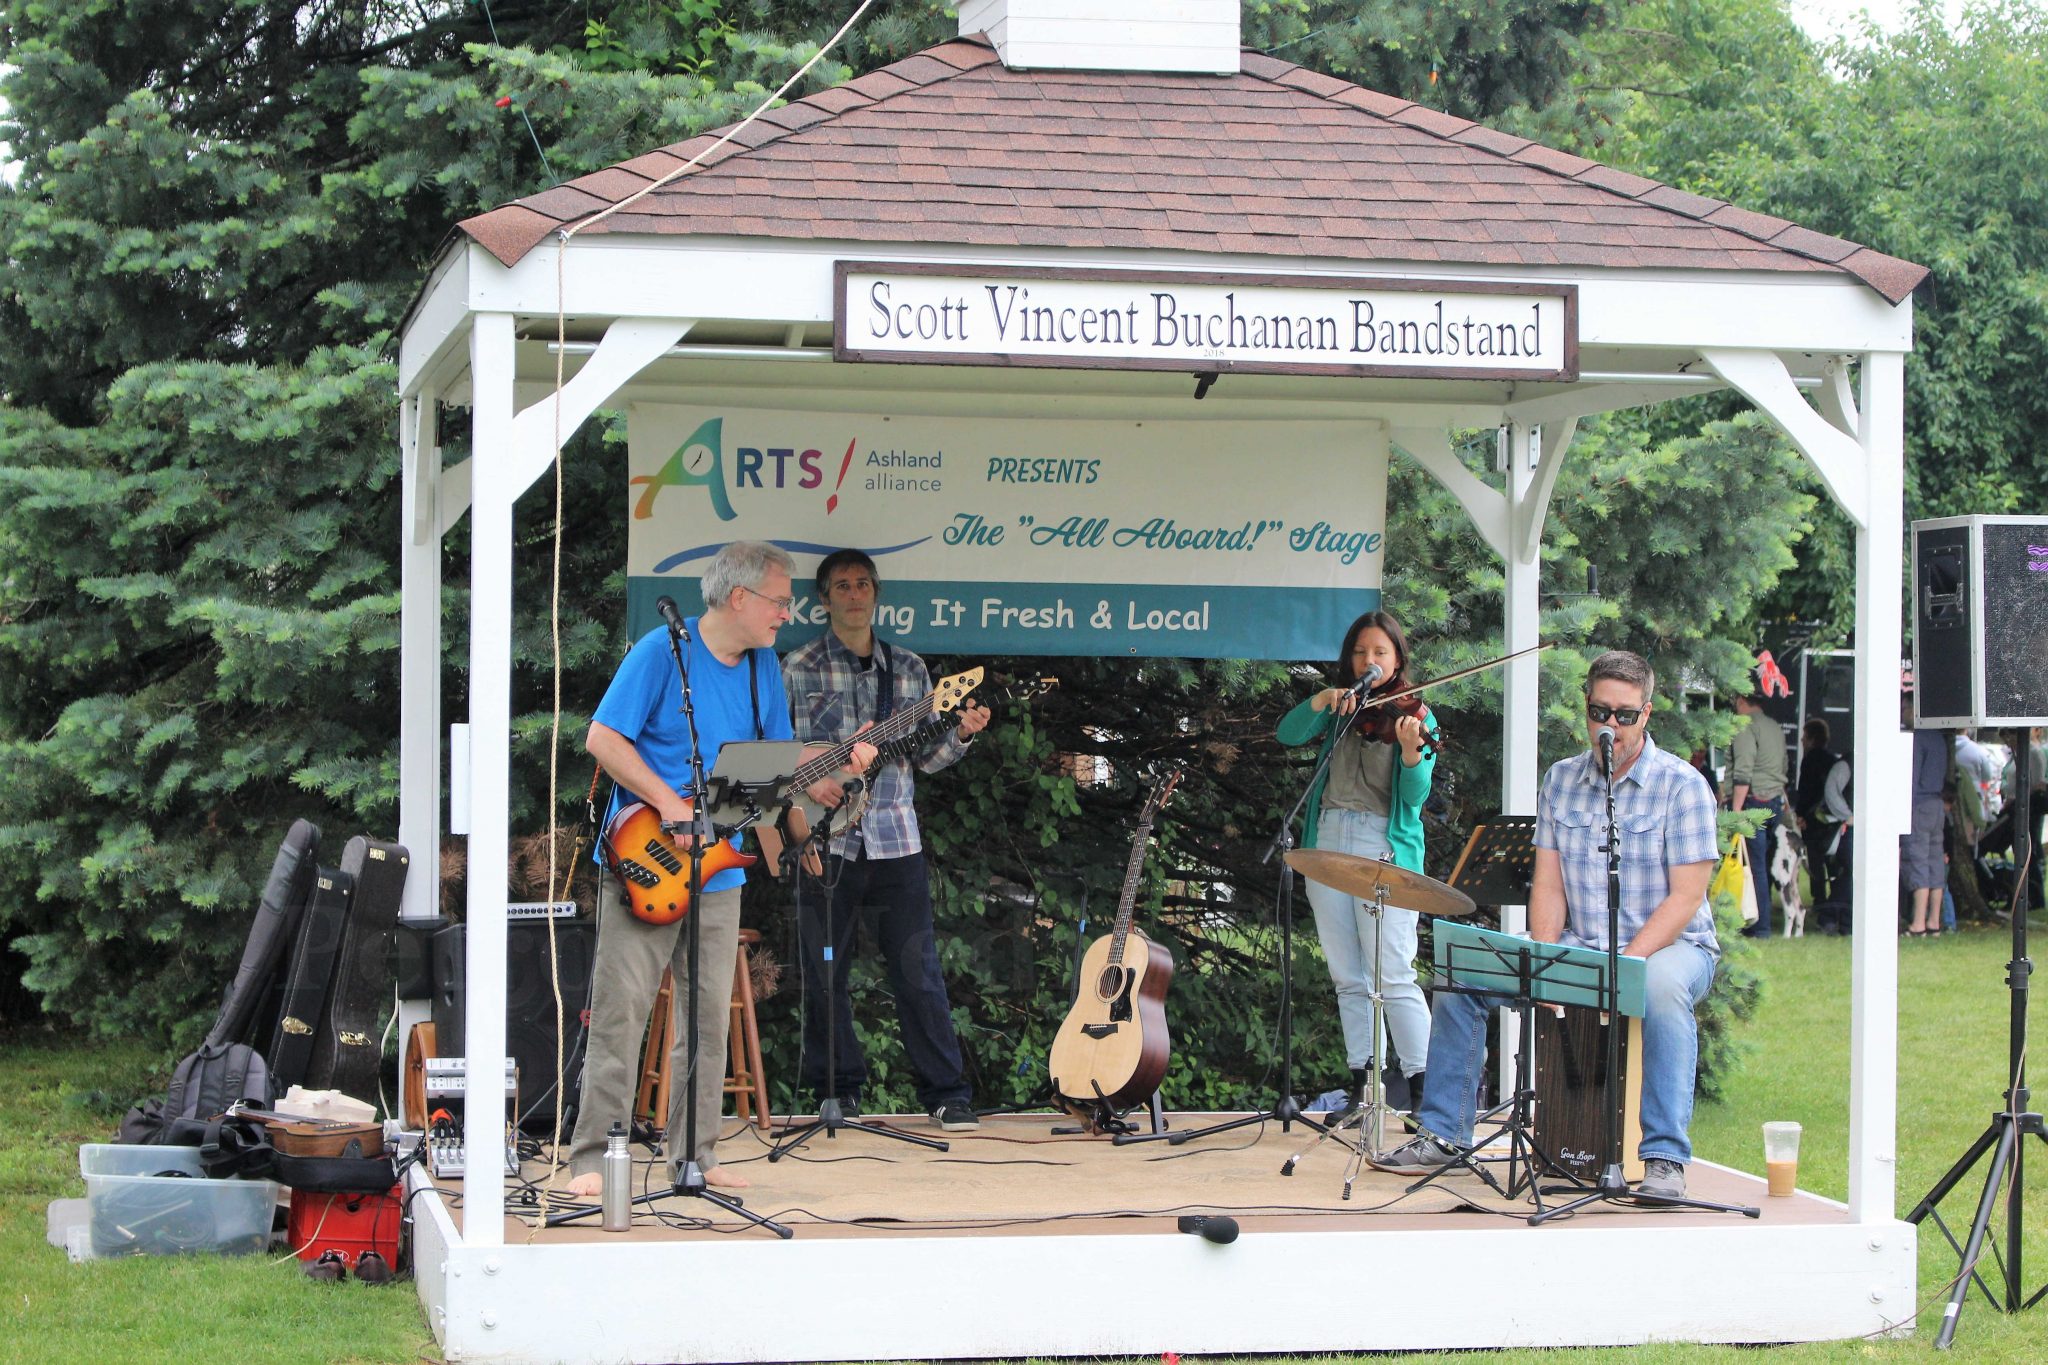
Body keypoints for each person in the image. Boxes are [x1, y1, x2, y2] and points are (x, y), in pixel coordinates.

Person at [562, 542, 873, 1197]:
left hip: (721, 870)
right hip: (645, 862)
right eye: (780, 600)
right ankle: (592, 1157)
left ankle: (693, 1154)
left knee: (706, 1022)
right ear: (739, 597)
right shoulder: (660, 651)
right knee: (621, 1016)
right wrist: (670, 802)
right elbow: (601, 738)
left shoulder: (765, 669)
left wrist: (826, 773)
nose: (788, 613)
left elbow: (766, 766)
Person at [1373, 649, 1719, 1201]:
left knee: (1660, 988)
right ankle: (1445, 1134)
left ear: (1646, 714)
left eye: (1625, 716)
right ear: (1586, 709)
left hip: (1668, 947)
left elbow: (1685, 899)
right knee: (1467, 971)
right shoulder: (1561, 780)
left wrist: (1625, 967)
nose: (1611, 727)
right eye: (1600, 712)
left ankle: (1664, 1160)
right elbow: (1549, 886)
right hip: (1581, 942)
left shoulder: (1683, 786)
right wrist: (1544, 957)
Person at [781, 549, 992, 1131]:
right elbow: (773, 756)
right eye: (842, 585)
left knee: (917, 969)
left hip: (896, 840)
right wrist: (820, 782)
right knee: (826, 969)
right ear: (823, 600)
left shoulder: (912, 671)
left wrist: (962, 735)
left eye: (864, 584)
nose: (855, 594)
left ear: (876, 594)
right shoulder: (795, 666)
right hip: (824, 840)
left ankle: (948, 1093)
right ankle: (837, 1089)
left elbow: (927, 757)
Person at [1275, 609, 1438, 1116]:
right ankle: (1365, 1084)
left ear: (1397, 658)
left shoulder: (1416, 715)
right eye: (1361, 652)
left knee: (1391, 972)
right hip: (1327, 837)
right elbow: (1288, 734)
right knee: (1348, 974)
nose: (1370, 660)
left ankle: (1428, 1090)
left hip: (1379, 844)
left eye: (1380, 652)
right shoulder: (1339, 706)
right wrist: (1319, 701)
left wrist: (1411, 754)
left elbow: (1414, 798)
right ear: (1350, 658)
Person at [1728, 690, 1788, 938]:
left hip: (1753, 802)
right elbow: (1784, 765)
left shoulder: (1745, 727)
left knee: (1753, 867)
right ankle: (1762, 923)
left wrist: (1735, 812)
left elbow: (1743, 770)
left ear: (1742, 701)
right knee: (1762, 863)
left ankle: (1759, 927)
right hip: (1775, 801)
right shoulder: (1774, 726)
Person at [1902, 693, 1950, 937]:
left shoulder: (1916, 740)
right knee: (1935, 860)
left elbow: (1911, 779)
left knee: (1917, 860)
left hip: (1919, 805)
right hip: (1937, 805)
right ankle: (1934, 922)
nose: (1902, 712)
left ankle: (1917, 923)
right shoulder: (1940, 738)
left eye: (1905, 708)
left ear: (1914, 710)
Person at [1793, 719, 1843, 910]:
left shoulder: (1810, 760)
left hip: (1812, 818)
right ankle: (1836, 898)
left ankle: (1820, 900)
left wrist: (1801, 814)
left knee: (1815, 861)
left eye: (1804, 737)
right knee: (1832, 861)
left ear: (1812, 739)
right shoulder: (1832, 760)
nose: (1802, 741)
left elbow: (1805, 790)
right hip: (1830, 816)